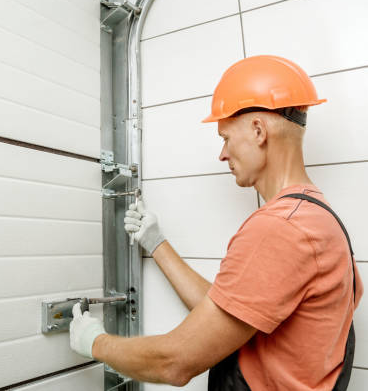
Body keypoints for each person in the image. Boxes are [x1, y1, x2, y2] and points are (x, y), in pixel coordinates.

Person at [69, 55, 364, 390]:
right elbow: (230, 313)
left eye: (225, 137)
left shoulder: (280, 228)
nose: (222, 154)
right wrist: (156, 243)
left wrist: (95, 342)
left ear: (258, 131)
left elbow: (175, 362)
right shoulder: (318, 218)